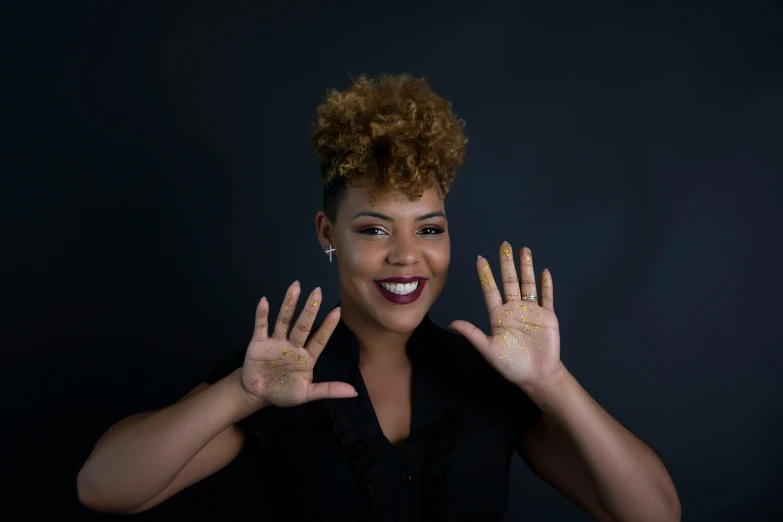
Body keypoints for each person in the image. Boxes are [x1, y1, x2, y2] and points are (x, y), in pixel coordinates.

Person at [77, 73, 681, 521]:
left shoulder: (489, 379)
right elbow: (103, 488)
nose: (405, 254)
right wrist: (239, 393)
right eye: (373, 228)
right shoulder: (278, 374)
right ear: (327, 233)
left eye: (428, 228)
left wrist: (553, 384)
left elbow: (655, 514)